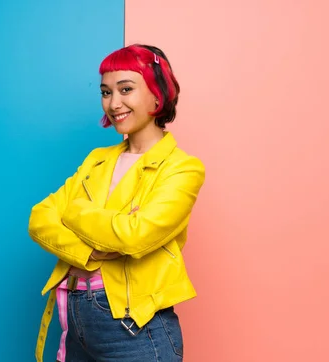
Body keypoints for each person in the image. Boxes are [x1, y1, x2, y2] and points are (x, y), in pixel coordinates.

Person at [29, 44, 205, 362]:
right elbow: (40, 218)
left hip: (133, 326)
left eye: (126, 89)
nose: (114, 103)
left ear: (157, 94)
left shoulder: (182, 168)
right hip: (75, 317)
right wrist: (90, 251)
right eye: (106, 92)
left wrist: (74, 211)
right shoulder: (97, 160)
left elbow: (134, 236)